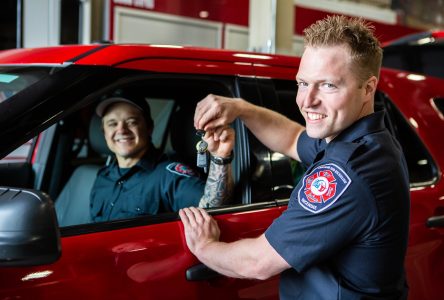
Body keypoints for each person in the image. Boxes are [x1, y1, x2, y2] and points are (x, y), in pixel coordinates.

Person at [179, 15, 410, 299]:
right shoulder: (364, 140)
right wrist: (241, 108)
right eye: (303, 83)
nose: (306, 100)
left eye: (328, 85)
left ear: (368, 88)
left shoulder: (349, 171)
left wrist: (205, 247)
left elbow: (259, 262)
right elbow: (291, 138)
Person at [90, 90, 234, 222]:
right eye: (112, 124)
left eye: (131, 122)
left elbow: (212, 208)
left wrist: (220, 157)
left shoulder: (169, 175)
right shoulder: (103, 176)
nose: (121, 130)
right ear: (104, 132)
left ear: (149, 127)